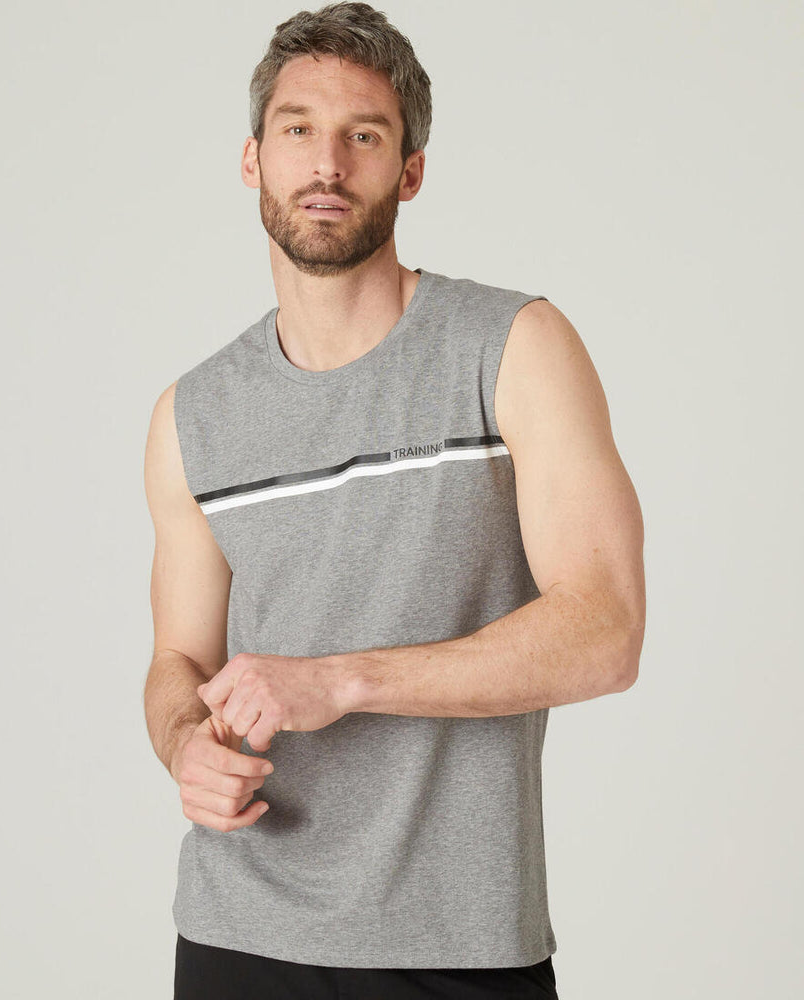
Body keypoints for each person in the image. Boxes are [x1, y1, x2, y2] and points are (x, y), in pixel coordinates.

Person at [143, 3, 646, 998]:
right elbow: (177, 662)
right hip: (236, 934)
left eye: (363, 135)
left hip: (456, 946)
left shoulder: (512, 348)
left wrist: (340, 681)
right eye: (297, 129)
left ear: (409, 170)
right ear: (252, 159)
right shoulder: (191, 416)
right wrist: (183, 746)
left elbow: (606, 632)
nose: (326, 163)